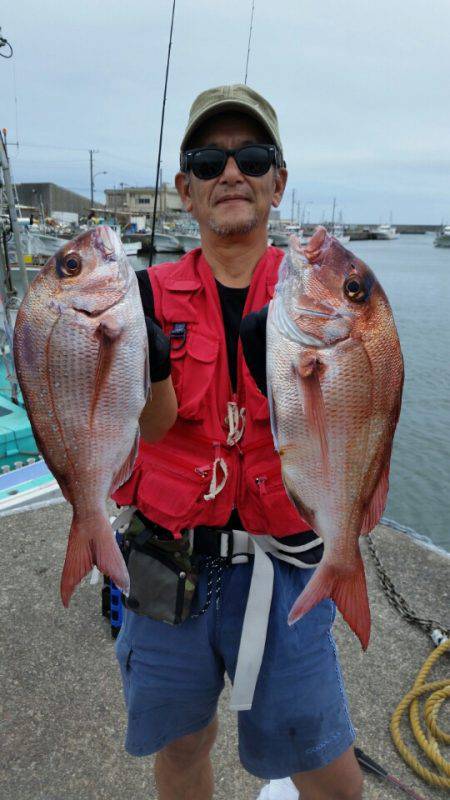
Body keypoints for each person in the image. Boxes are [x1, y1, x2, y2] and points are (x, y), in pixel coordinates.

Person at [113, 84, 363, 800]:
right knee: (182, 743)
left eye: (251, 157)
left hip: (287, 567)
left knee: (327, 766)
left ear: (278, 183)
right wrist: (151, 361)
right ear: (184, 189)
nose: (231, 172)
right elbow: (153, 428)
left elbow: (351, 420)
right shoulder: (135, 297)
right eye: (208, 159)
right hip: (168, 562)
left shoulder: (321, 294)